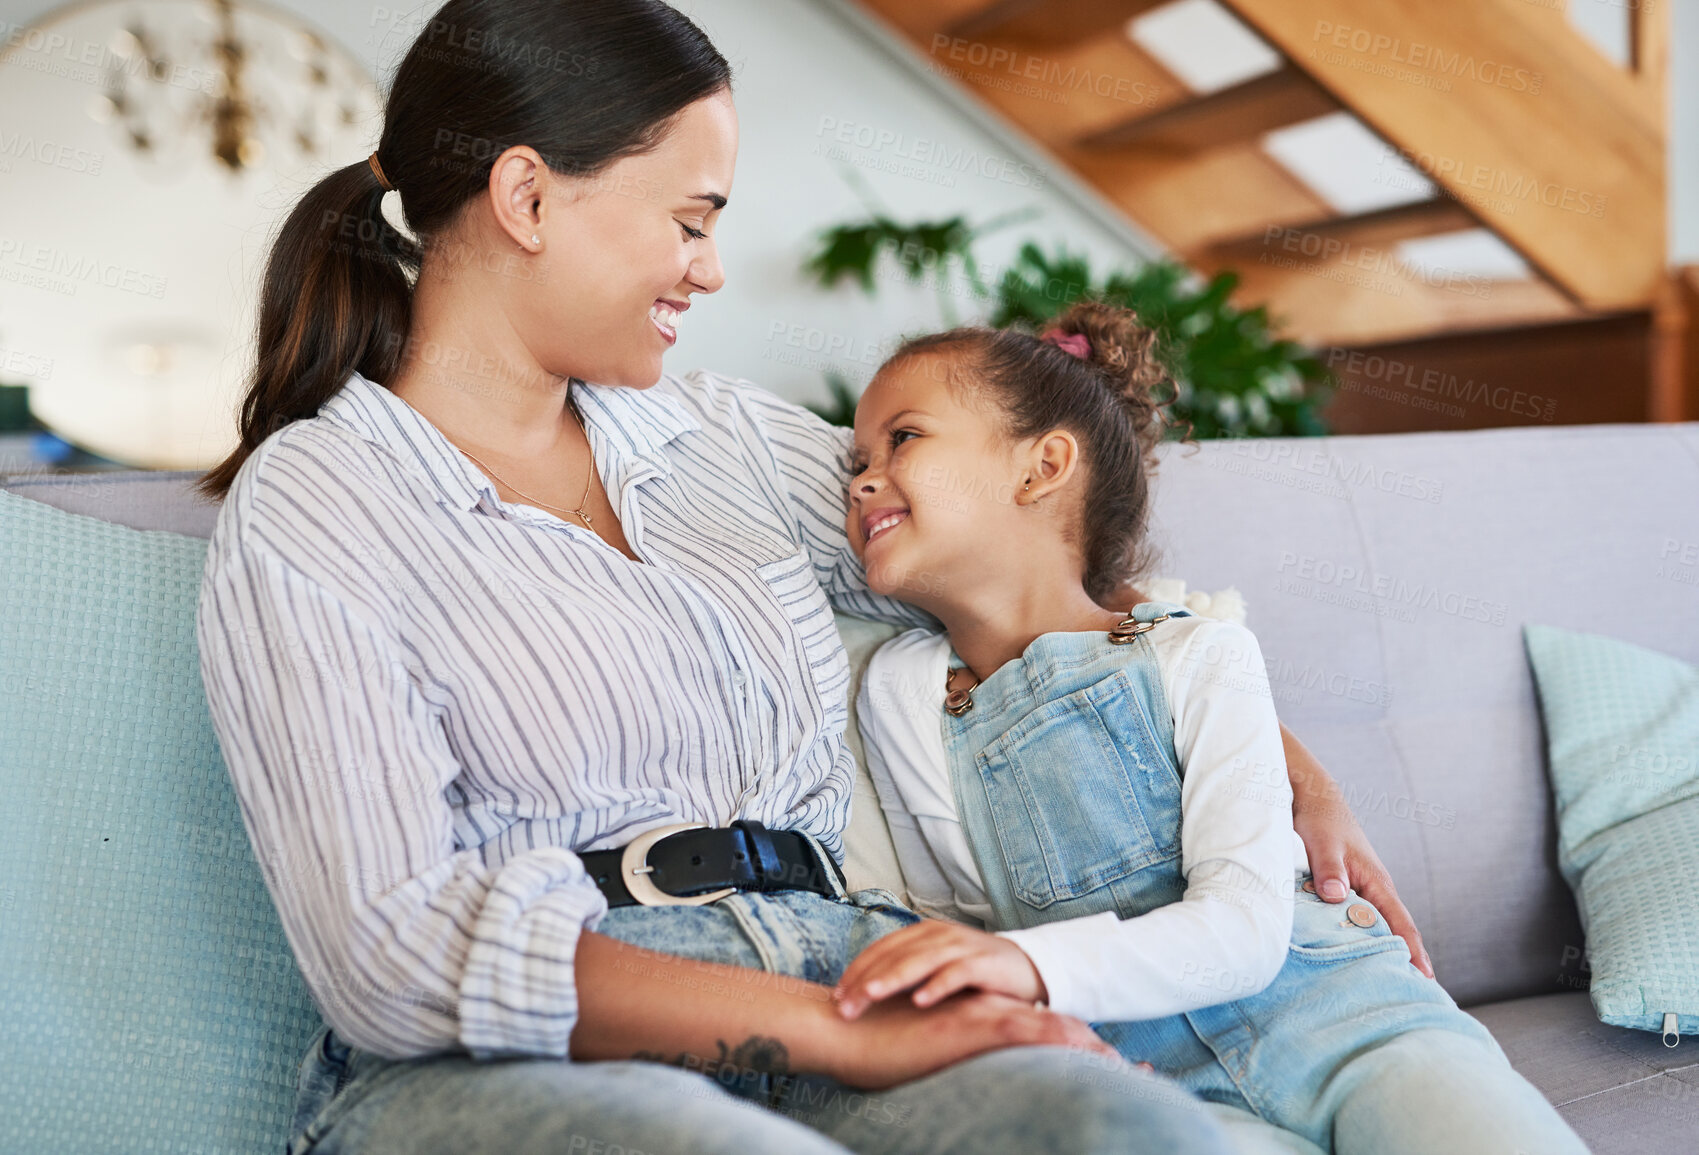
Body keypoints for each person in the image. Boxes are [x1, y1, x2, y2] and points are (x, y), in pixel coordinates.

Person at [189, 1, 1431, 1150]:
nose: (709, 269)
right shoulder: (318, 503)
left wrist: (1287, 773)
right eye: (689, 220)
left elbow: (1022, 573)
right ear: (526, 196)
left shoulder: (723, 438)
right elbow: (390, 951)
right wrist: (847, 1034)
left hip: (840, 957)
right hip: (515, 1056)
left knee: (1129, 1133)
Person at [836, 303, 1591, 1154]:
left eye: (902, 439)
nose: (861, 479)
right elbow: (959, 923)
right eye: (855, 460)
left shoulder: (1195, 651)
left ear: (1041, 466)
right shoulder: (896, 689)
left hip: (1352, 1024)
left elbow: (1242, 927)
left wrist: (1032, 967)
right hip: (1147, 1083)